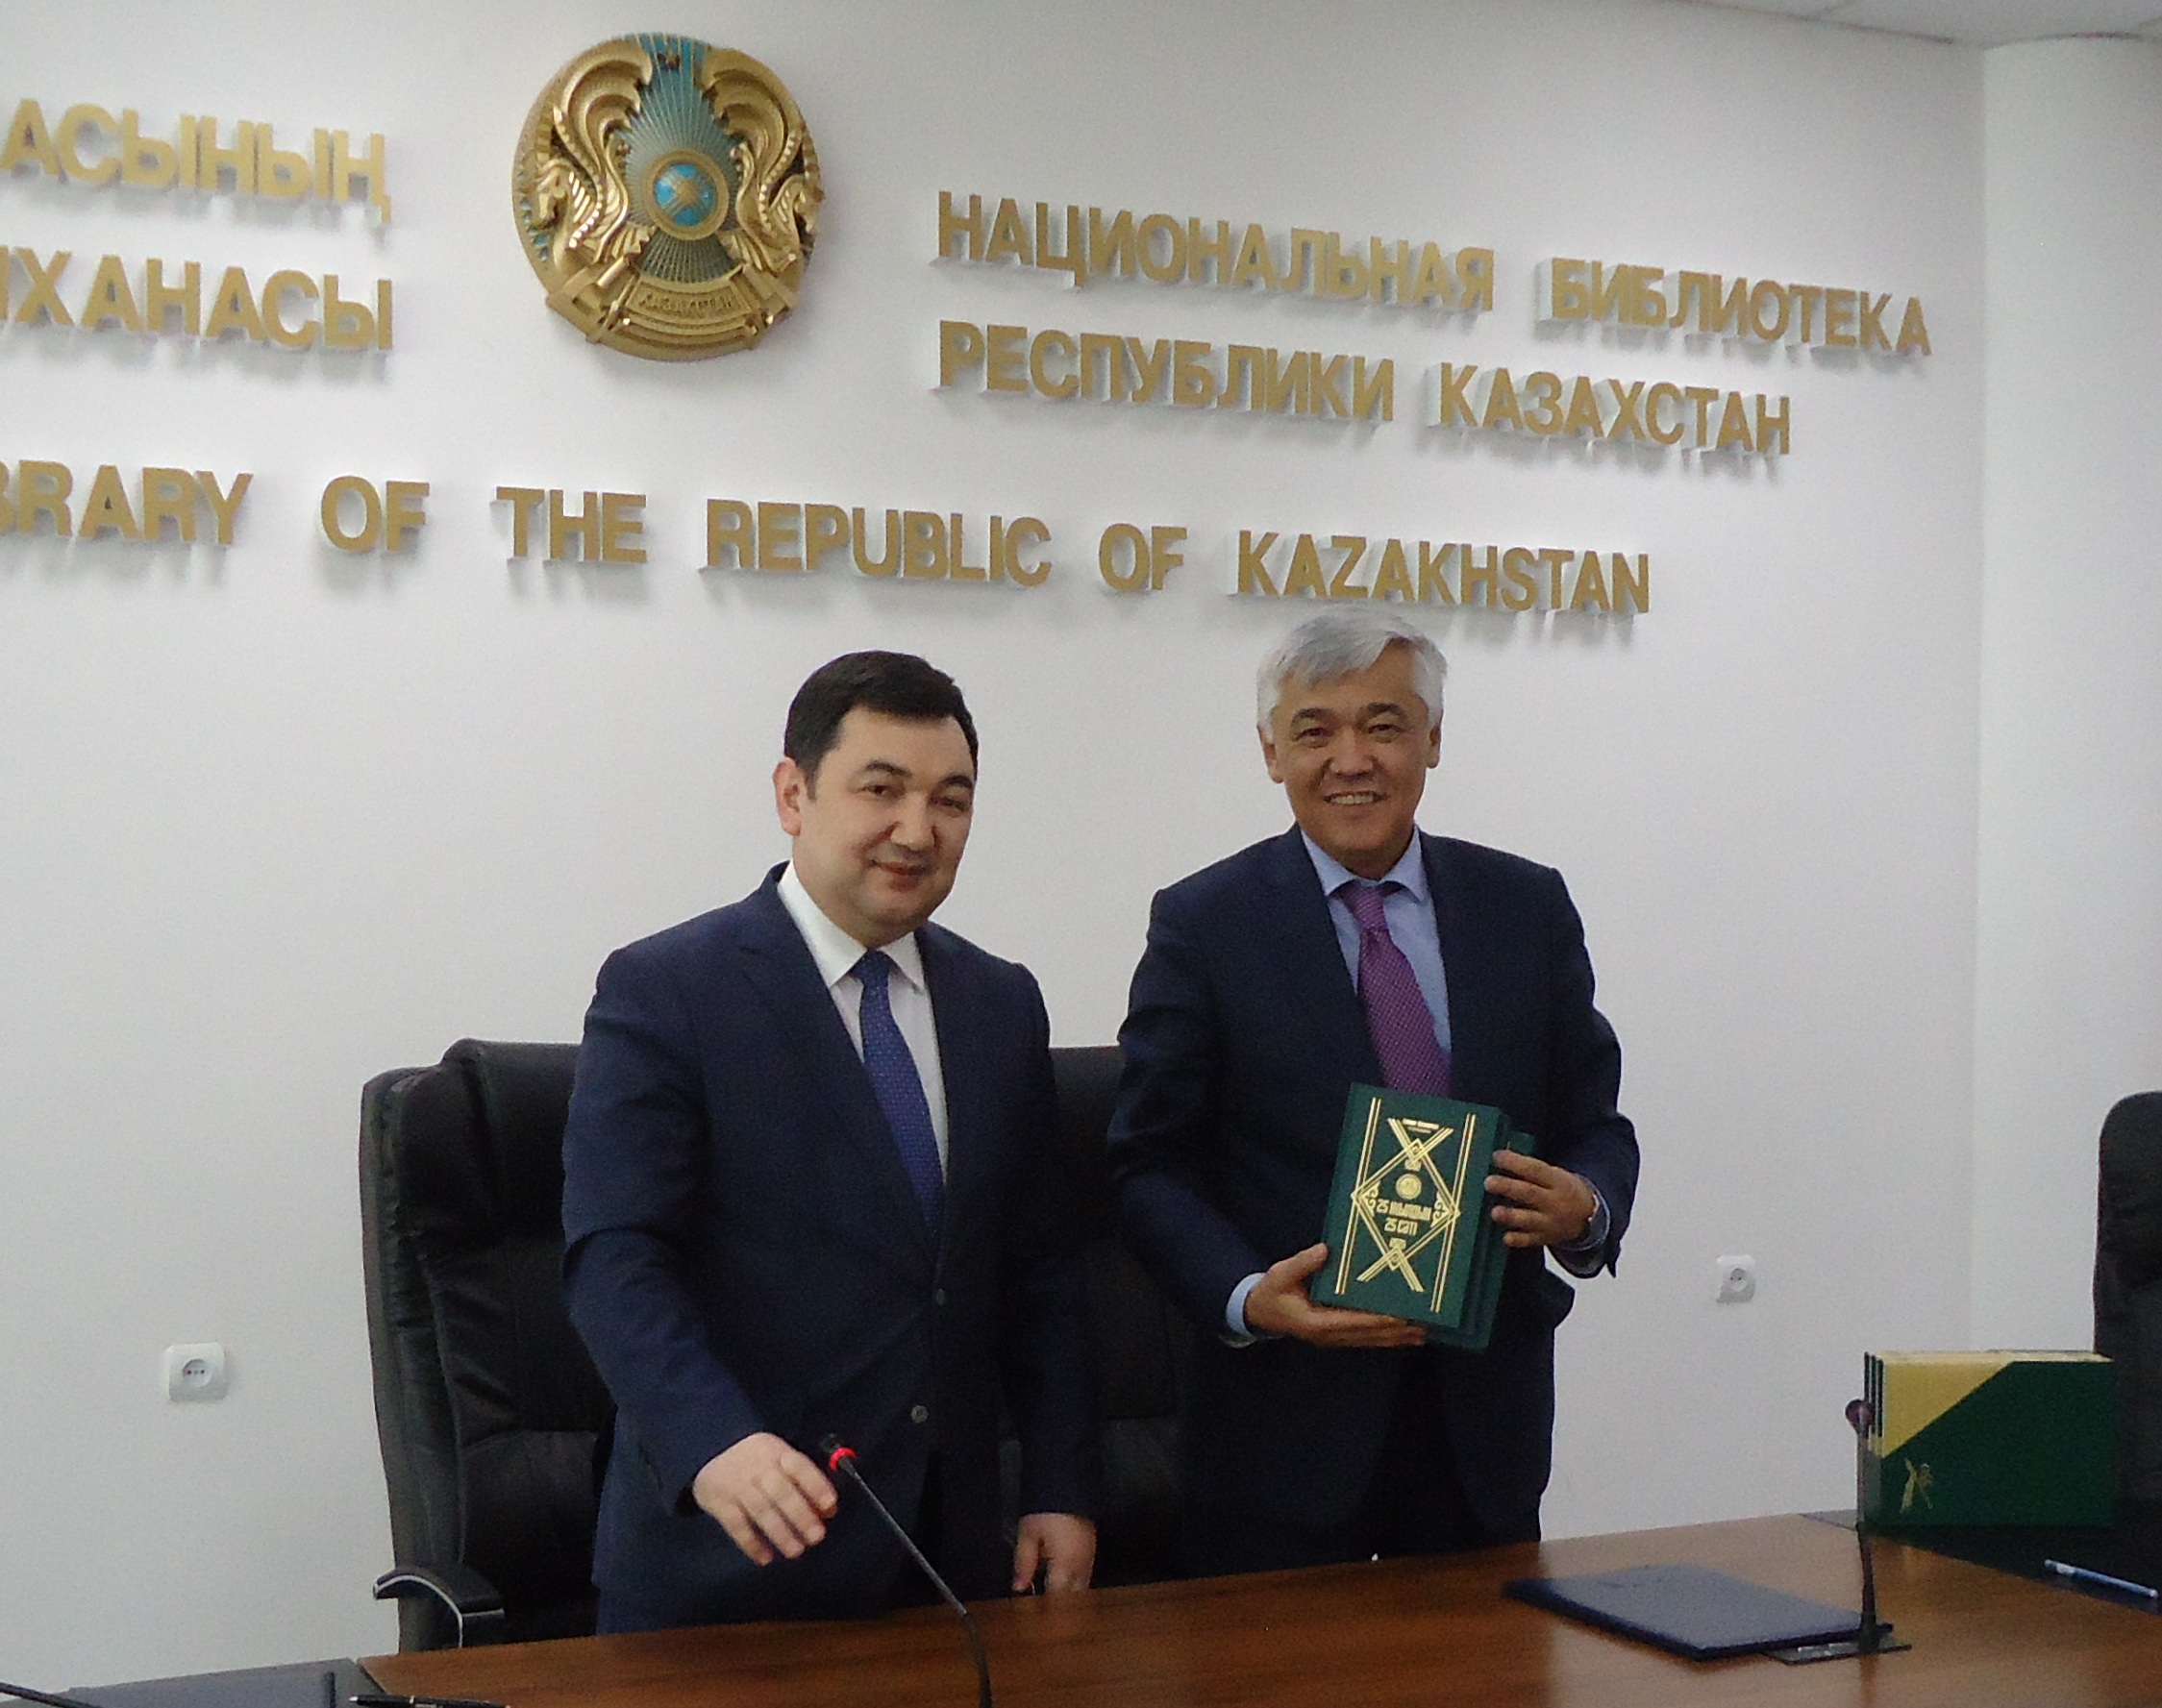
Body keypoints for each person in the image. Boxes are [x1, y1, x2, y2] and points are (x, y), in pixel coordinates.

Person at [561, 651, 1098, 1631]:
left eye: (950, 800)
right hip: (732, 1560)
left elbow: (1039, 1271)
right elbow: (615, 1255)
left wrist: (1059, 1484)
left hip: (949, 1562)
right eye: (880, 790)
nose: (917, 830)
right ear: (792, 794)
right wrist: (712, 1438)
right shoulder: (668, 991)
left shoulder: (999, 1002)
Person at [1107, 609, 1638, 1574]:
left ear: (1431, 738)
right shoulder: (1203, 923)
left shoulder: (1524, 906)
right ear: (1270, 751)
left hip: (1484, 1430)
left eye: (1383, 725)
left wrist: (1586, 1207)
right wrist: (1247, 1296)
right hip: (1280, 1433)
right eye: (1314, 730)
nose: (1350, 759)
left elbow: (1593, 1121)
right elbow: (1148, 1163)